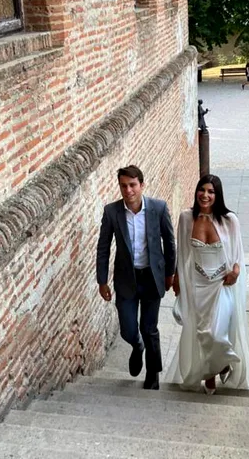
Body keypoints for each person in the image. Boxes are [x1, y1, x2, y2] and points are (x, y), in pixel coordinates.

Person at [168, 174, 249, 394]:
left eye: (211, 191)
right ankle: (210, 377)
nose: (205, 195)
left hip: (221, 286)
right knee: (202, 335)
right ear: (196, 191)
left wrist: (235, 272)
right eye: (202, 190)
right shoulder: (186, 218)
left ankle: (223, 364)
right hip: (197, 286)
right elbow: (182, 253)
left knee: (217, 334)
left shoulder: (230, 220)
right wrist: (178, 279)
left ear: (218, 195)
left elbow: (238, 255)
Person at [96, 165, 176, 390]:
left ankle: (153, 372)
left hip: (151, 277)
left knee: (149, 328)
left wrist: (170, 273)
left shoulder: (158, 208)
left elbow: (170, 243)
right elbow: (103, 247)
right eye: (124, 186)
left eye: (132, 185)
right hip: (126, 280)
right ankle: (137, 345)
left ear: (142, 185)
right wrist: (102, 280)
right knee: (128, 329)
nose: (128, 190)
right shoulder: (112, 212)